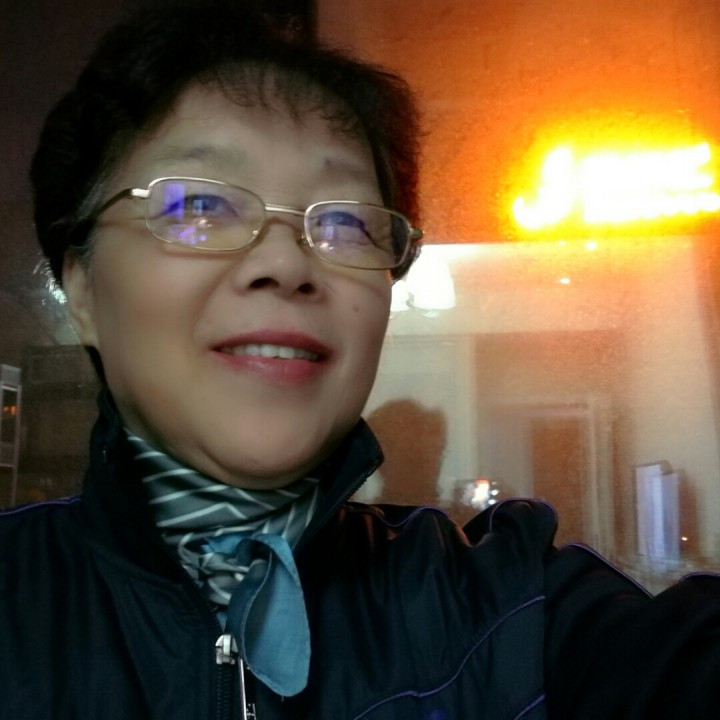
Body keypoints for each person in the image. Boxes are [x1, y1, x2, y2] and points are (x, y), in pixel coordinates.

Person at [1, 2, 719, 719]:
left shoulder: (509, 611)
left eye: (345, 221)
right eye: (199, 206)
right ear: (82, 287)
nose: (287, 263)